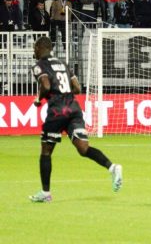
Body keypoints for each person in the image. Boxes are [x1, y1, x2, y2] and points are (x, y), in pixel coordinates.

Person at [28, 36, 122, 202]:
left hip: (57, 111)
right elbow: (77, 88)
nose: (34, 51)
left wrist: (38, 100)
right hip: (74, 109)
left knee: (46, 151)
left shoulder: (39, 65)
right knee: (84, 148)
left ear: (39, 48)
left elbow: (46, 85)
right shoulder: (63, 64)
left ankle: (45, 193)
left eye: (35, 48)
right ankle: (112, 167)